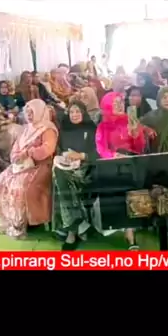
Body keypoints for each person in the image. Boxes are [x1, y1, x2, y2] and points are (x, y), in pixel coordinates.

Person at [0, 99, 58, 239]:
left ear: (39, 112)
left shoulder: (48, 129)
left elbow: (48, 149)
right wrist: (16, 157)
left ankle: (25, 222)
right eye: (27, 112)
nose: (28, 115)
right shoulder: (26, 129)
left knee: (20, 187)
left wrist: (29, 152)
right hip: (23, 164)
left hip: (41, 165)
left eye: (32, 112)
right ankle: (10, 221)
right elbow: (16, 148)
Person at [95, 92, 147, 249]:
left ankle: (130, 231)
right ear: (108, 106)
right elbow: (101, 148)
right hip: (113, 165)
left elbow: (139, 148)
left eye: (121, 102)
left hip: (131, 163)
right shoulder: (103, 126)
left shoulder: (130, 121)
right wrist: (113, 155)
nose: (119, 105)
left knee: (133, 191)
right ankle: (126, 229)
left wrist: (136, 134)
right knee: (120, 191)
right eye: (115, 103)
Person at [53, 100, 99, 250]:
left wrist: (81, 156)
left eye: (78, 111)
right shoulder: (64, 130)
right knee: (59, 175)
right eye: (71, 112)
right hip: (67, 167)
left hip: (87, 169)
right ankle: (79, 225)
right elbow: (60, 150)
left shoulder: (91, 129)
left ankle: (71, 230)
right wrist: (64, 157)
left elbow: (98, 152)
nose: (74, 115)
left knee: (62, 181)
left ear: (83, 113)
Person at [140, 86, 168, 153]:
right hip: (156, 154)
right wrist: (145, 128)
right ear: (159, 100)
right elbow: (137, 126)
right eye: (164, 97)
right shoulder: (151, 116)